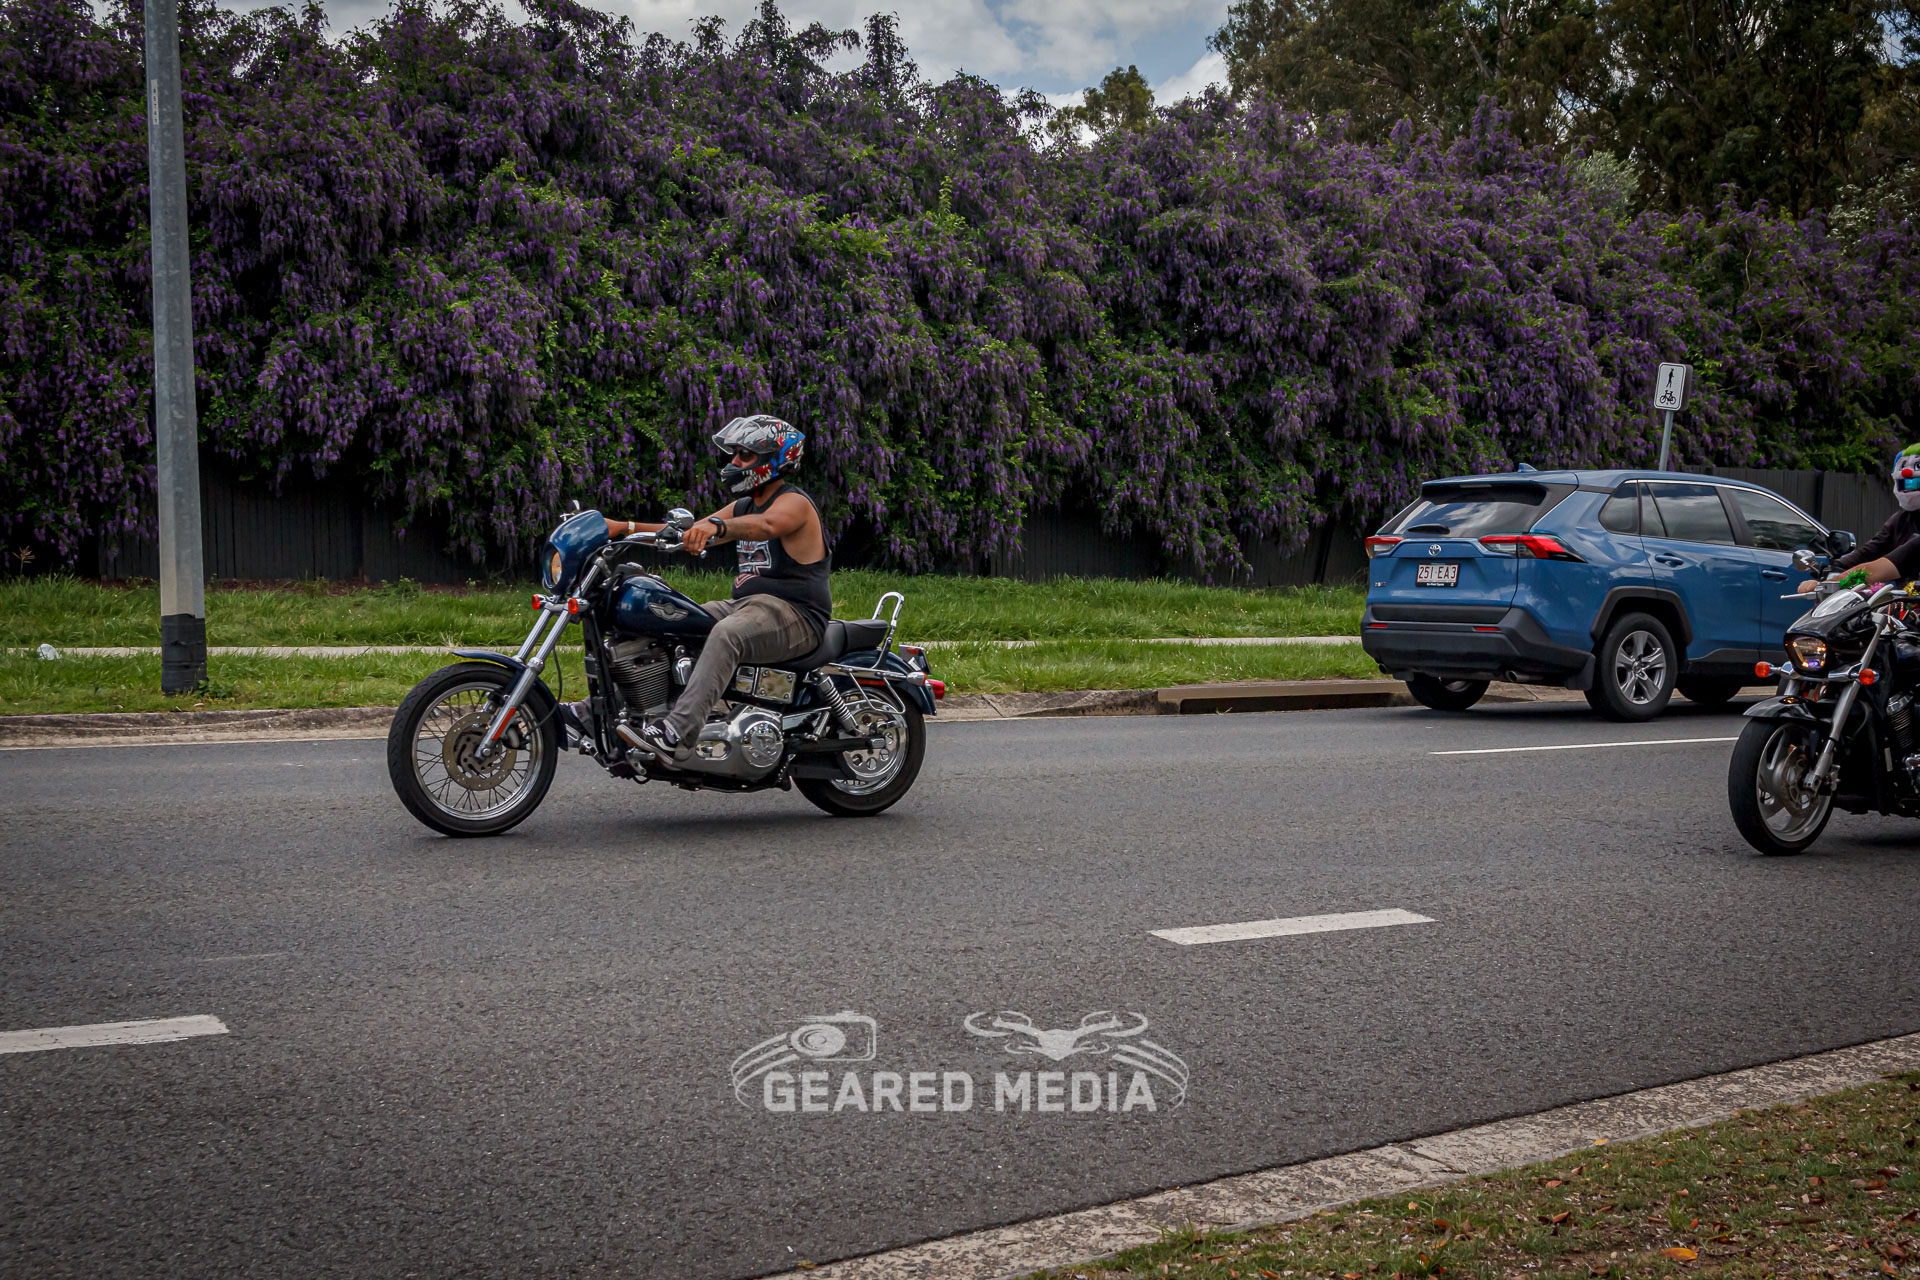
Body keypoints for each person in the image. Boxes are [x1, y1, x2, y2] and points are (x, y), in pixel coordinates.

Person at [601, 415, 831, 761]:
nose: (734, 462)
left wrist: (718, 528)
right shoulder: (745, 506)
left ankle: (676, 732)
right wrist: (623, 527)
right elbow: (688, 530)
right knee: (676, 621)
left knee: (727, 634)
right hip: (750, 606)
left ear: (774, 459)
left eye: (745, 455)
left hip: (796, 614)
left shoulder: (794, 503)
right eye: (734, 454)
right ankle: (611, 711)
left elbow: (767, 525)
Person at [1799, 442, 1920, 593]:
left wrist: (1834, 582)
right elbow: (1870, 552)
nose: (1910, 486)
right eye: (1905, 484)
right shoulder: (1901, 520)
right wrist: (1834, 568)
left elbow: (1877, 570)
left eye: (1915, 482)